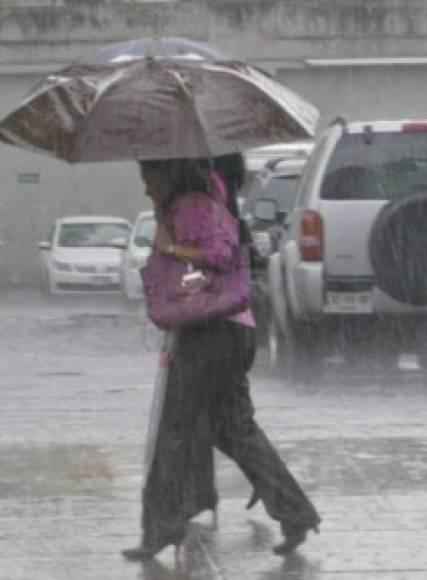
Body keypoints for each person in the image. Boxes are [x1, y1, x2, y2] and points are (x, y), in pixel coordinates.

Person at [123, 158, 320, 561]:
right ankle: (295, 512)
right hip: (229, 330)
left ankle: (161, 528)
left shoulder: (193, 203)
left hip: (211, 333)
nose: (146, 188)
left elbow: (218, 254)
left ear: (168, 173)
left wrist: (169, 246)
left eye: (149, 178)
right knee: (233, 429)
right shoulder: (202, 197)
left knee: (174, 431)